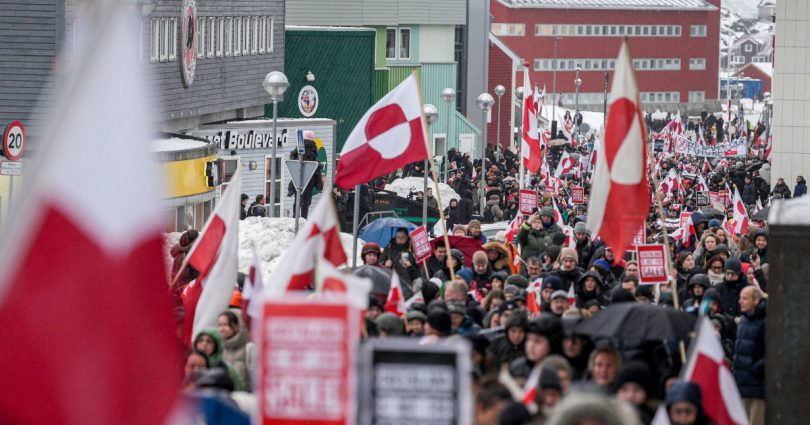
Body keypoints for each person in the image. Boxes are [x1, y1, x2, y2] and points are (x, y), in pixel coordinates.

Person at [733, 286, 767, 425]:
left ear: (756, 300)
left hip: (758, 386)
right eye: (740, 298)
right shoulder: (744, 320)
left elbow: (772, 351)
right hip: (743, 385)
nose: (740, 301)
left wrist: (755, 368)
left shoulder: (766, 321)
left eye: (745, 298)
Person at [289, 130, 323, 219]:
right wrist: (318, 165)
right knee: (306, 202)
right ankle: (303, 219)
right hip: (310, 179)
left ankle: (295, 218)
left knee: (297, 200)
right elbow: (311, 163)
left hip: (298, 179)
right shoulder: (313, 149)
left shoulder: (298, 149)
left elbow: (294, 158)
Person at [216, 311, 254, 391]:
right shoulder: (217, 348)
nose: (222, 329)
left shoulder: (248, 348)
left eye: (225, 325)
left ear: (237, 326)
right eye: (219, 325)